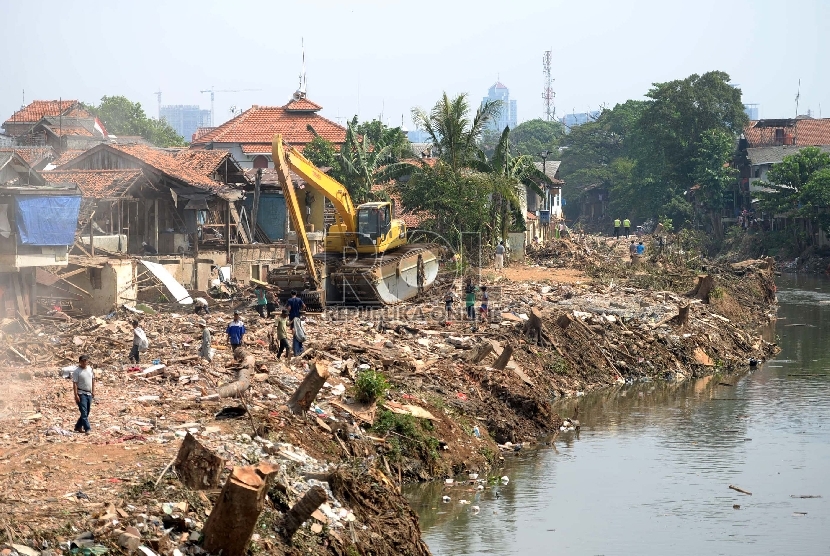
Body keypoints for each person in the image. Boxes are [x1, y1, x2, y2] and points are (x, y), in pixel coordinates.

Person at [72, 355, 95, 434]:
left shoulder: (90, 369)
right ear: (80, 362)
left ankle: (78, 426)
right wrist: (76, 395)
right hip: (81, 393)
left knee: (87, 411)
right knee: (84, 412)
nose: (84, 362)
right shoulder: (77, 371)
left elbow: (93, 379)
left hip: (89, 393)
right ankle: (87, 429)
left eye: (85, 361)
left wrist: (93, 391)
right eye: (82, 361)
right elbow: (74, 383)